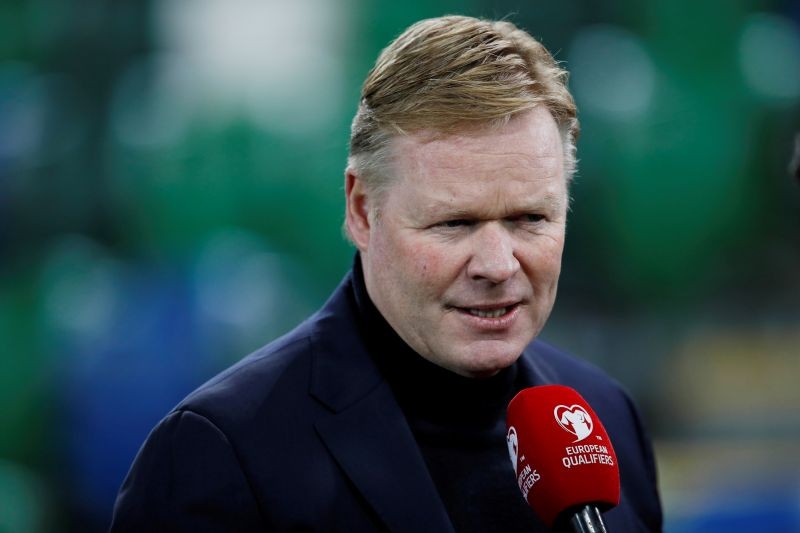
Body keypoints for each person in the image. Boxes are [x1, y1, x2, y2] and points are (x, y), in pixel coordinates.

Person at [110, 15, 663, 532]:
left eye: (530, 218)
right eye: (454, 223)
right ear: (361, 211)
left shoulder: (607, 420)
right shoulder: (220, 454)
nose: (497, 265)